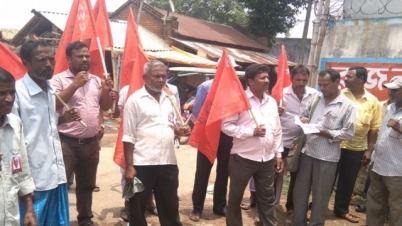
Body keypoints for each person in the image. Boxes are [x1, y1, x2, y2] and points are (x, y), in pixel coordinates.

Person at [13, 39, 81, 225]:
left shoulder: (51, 90)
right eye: (42, 60)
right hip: (33, 182)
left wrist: (64, 119)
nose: (49, 64)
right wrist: (23, 185)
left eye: (51, 59)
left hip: (56, 176)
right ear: (26, 63)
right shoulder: (17, 94)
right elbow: (13, 141)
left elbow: (43, 126)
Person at [51, 41, 113, 226]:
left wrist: (107, 90)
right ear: (69, 59)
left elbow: (106, 106)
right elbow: (54, 105)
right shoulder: (58, 80)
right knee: (60, 185)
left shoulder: (95, 80)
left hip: (92, 143)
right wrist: (75, 85)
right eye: (80, 56)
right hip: (66, 143)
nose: (85, 59)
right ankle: (57, 220)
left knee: (87, 185)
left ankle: (85, 218)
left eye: (87, 56)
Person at [122, 60, 191, 226]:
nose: (161, 80)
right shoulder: (135, 100)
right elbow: (128, 137)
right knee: (138, 207)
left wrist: (179, 131)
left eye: (164, 76)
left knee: (170, 205)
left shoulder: (170, 99)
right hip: (142, 163)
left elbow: (171, 125)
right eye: (156, 76)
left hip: (167, 162)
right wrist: (129, 167)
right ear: (145, 77)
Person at [222, 64, 284, 226]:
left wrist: (278, 154)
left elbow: (277, 129)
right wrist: (251, 132)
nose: (266, 81)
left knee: (267, 198)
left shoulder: (271, 102)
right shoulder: (238, 100)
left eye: (268, 77)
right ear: (250, 81)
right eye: (262, 78)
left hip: (267, 159)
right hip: (243, 158)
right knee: (235, 197)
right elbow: (226, 126)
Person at [292, 69, 356, 226]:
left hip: (327, 156)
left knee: (321, 195)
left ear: (336, 82)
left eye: (325, 85)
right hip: (308, 152)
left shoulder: (347, 106)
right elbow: (306, 114)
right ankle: (298, 222)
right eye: (320, 85)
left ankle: (316, 223)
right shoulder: (316, 98)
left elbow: (348, 133)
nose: (322, 88)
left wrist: (323, 133)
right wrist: (304, 120)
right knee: (300, 192)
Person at [189, 58, 242, 222]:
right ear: (218, 68)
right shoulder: (205, 87)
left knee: (224, 172)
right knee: (202, 172)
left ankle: (219, 206)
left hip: (227, 135)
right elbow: (198, 112)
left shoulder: (236, 87)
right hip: (208, 133)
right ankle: (197, 208)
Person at [332, 66, 382, 223]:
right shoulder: (338, 95)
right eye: (346, 76)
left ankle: (341, 209)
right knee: (326, 177)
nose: (345, 78)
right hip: (334, 144)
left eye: (349, 76)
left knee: (348, 180)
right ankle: (318, 205)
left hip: (356, 147)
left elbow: (374, 129)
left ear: (360, 79)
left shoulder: (373, 102)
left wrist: (369, 150)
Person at [0, 67, 36, 226]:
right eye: (2, 93)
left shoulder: (15, 123)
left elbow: (22, 170)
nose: (9, 99)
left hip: (11, 218)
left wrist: (29, 209)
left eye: (12, 92)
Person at [366, 77, 402, 226]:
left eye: (395, 90)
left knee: (397, 209)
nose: (391, 93)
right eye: (390, 89)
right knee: (375, 204)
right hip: (379, 164)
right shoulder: (390, 108)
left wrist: (398, 129)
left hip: (397, 170)